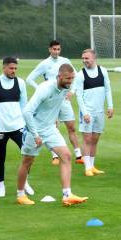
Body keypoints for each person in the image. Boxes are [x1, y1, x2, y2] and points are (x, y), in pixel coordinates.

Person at [16, 64, 87, 206]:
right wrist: (35, 134)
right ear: (59, 76)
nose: (70, 81)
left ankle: (67, 195)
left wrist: (55, 118)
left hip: (50, 129)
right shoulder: (45, 89)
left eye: (72, 78)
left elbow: (55, 104)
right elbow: (27, 112)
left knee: (66, 155)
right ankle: (20, 195)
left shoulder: (65, 89)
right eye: (67, 78)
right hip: (34, 130)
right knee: (27, 162)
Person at [26, 40, 82, 165]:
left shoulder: (66, 61)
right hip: (50, 101)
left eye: (58, 49)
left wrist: (71, 91)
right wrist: (41, 91)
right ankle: (55, 156)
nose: (56, 51)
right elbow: (29, 79)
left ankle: (79, 155)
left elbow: (77, 77)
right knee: (52, 126)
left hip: (63, 98)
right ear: (49, 49)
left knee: (71, 126)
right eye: (54, 49)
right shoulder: (44, 64)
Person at [0, 56, 33, 198]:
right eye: (11, 68)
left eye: (15, 68)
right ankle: (1, 185)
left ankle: (24, 182)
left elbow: (25, 106)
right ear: (4, 68)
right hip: (0, 128)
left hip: (18, 126)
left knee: (28, 155)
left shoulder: (20, 83)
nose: (14, 71)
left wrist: (28, 125)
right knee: (1, 157)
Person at [74, 49, 114, 177]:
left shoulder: (103, 71)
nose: (84, 61)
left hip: (99, 111)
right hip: (87, 112)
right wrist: (84, 112)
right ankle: (87, 168)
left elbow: (108, 89)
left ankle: (92, 165)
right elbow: (79, 96)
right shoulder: (81, 75)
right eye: (83, 58)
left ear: (94, 58)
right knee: (87, 139)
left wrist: (110, 106)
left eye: (87, 58)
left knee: (95, 139)